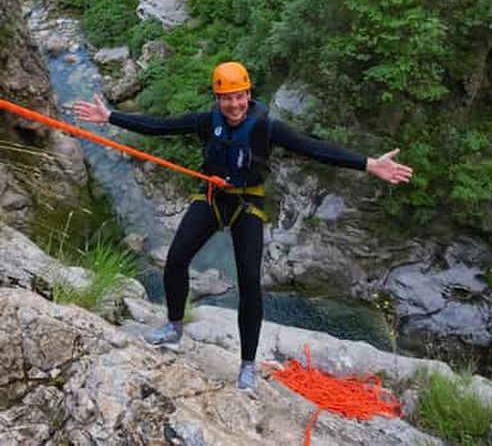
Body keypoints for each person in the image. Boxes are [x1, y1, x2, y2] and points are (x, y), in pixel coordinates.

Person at [74, 61, 412, 392]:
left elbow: (315, 149)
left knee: (250, 281)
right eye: (227, 98)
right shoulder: (207, 121)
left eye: (240, 96)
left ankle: (247, 364)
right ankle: (174, 328)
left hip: (247, 203)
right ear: (218, 99)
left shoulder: (267, 128)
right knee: (176, 259)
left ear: (249, 94)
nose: (234, 104)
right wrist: (110, 117)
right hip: (210, 197)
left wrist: (368, 164)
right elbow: (160, 126)